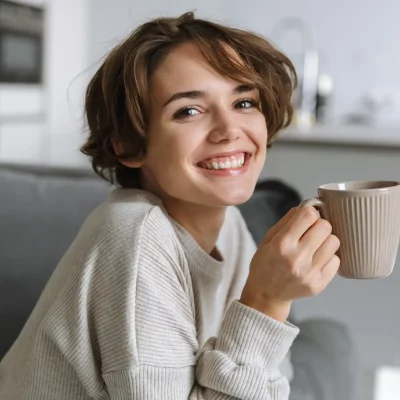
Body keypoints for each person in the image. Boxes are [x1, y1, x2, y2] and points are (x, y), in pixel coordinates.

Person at [0, 12, 340, 400]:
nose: (230, 130)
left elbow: (267, 386)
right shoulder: (136, 235)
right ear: (129, 145)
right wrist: (267, 302)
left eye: (244, 101)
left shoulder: (231, 229)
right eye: (188, 111)